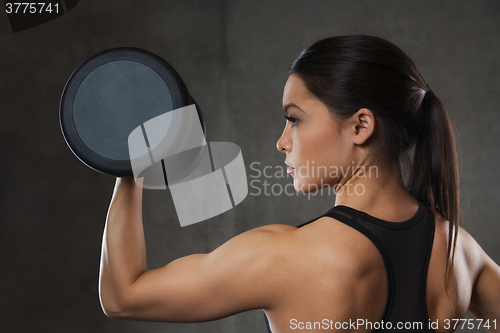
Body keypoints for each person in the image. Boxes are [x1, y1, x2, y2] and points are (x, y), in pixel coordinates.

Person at [98, 35, 500, 332]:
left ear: (361, 125)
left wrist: (132, 163)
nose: (282, 140)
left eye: (294, 119)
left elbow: (122, 295)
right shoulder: (458, 250)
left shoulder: (286, 258)